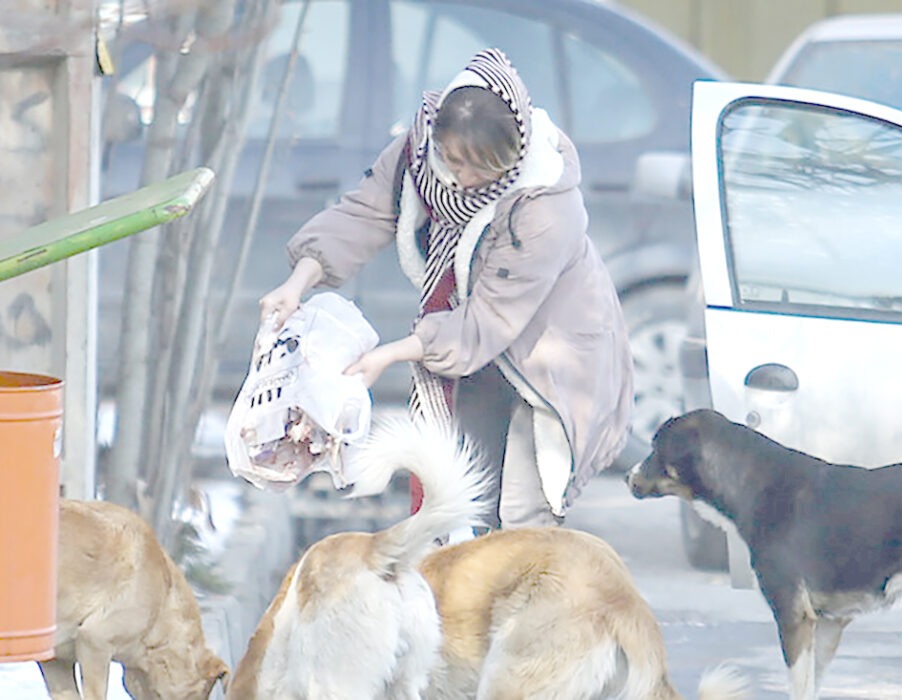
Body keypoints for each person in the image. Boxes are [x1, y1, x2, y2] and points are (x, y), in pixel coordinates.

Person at [259, 48, 632, 529]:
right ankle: (459, 599)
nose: (464, 177)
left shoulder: (544, 205)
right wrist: (297, 283)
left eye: (485, 167)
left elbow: (489, 320)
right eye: (455, 159)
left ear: (515, 152)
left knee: (522, 512)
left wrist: (391, 354)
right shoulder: (420, 152)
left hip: (551, 353)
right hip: (467, 341)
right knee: (460, 498)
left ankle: (523, 600)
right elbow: (364, 212)